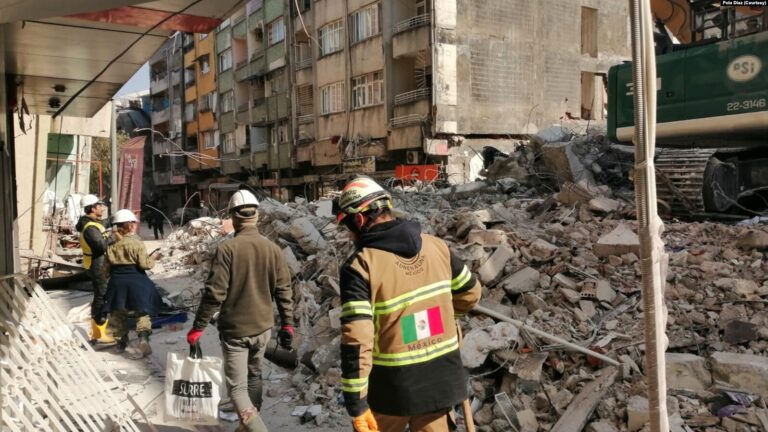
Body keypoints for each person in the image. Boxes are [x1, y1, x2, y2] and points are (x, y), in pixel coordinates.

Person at [336, 177, 482, 432]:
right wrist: (444, 318)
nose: (349, 234)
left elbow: (358, 340)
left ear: (359, 220)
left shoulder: (360, 266)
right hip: (441, 383)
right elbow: (471, 293)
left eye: (348, 226)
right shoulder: (437, 246)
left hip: (390, 391)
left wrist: (356, 404)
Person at [187, 190, 294, 432]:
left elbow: (215, 294)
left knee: (237, 388)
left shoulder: (227, 250)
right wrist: (288, 324)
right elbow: (284, 291)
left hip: (235, 331)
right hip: (263, 329)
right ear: (256, 216)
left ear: (234, 217)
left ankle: (256, 428)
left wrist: (197, 328)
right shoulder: (273, 249)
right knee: (254, 375)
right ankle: (248, 427)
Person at [105, 209, 161, 356]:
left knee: (118, 314)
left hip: (117, 283)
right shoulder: (137, 243)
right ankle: (143, 339)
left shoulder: (111, 246)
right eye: (134, 223)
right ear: (129, 225)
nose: (136, 225)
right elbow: (145, 264)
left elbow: (105, 270)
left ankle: (121, 343)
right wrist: (154, 257)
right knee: (142, 311)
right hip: (137, 282)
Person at [76, 194, 113, 343]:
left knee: (102, 295)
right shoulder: (90, 228)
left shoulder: (92, 222)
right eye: (99, 206)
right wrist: (113, 237)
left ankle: (99, 330)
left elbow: (101, 224)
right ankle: (98, 333)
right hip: (96, 264)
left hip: (98, 263)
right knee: (101, 296)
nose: (102, 208)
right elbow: (100, 245)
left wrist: (113, 219)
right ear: (92, 208)